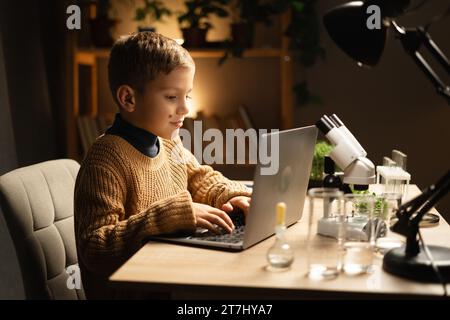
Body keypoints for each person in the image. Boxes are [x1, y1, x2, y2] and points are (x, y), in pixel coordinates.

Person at [74, 32, 252, 299]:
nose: (185, 109)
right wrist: (168, 216)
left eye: (187, 96)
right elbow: (95, 248)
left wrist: (232, 194)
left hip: (169, 280)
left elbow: (201, 179)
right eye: (172, 97)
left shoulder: (168, 141)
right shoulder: (105, 159)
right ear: (129, 99)